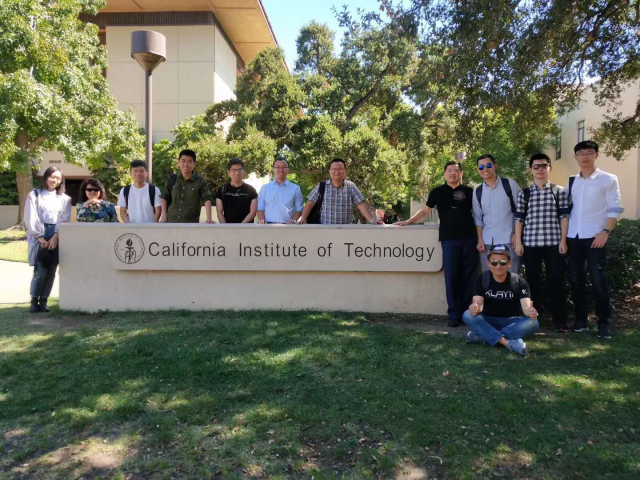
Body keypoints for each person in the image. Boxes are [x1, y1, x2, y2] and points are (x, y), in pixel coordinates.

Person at [394, 161, 478, 327]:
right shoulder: (437, 192)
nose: (452, 173)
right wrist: (409, 221)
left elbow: (479, 213)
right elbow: (425, 211)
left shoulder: (469, 192)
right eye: (449, 170)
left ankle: (468, 315)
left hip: (469, 239)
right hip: (449, 240)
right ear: (444, 173)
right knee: (451, 277)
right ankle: (454, 315)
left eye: (456, 170)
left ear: (461, 174)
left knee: (470, 277)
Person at [566, 141, 624, 338]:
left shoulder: (608, 179)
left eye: (589, 153)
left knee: (598, 280)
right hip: (574, 236)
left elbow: (615, 207)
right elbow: (567, 209)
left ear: (596, 155)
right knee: (576, 279)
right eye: (581, 153)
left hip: (595, 237)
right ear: (576, 157)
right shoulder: (572, 181)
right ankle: (580, 320)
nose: (585, 157)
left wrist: (606, 231)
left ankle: (603, 322)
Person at [514, 153, 570, 332]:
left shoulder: (558, 191)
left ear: (549, 168)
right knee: (532, 283)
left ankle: (560, 321)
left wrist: (563, 240)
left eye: (544, 165)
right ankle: (532, 320)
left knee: (556, 281)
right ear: (531, 170)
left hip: (554, 243)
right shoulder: (524, 193)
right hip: (530, 244)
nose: (540, 169)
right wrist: (518, 242)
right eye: (536, 166)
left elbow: (564, 217)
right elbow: (519, 219)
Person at [462, 244, 539, 356]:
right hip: (488, 320)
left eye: (503, 262)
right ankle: (507, 343)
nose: (498, 266)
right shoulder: (482, 279)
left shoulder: (519, 282)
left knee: (533, 322)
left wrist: (531, 312)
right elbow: (478, 305)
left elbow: (526, 307)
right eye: (494, 262)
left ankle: (483, 336)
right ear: (488, 263)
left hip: (511, 322)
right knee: (467, 315)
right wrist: (475, 308)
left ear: (509, 263)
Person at [24, 167, 72, 313]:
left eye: (58, 178)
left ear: (61, 181)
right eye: (52, 176)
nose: (54, 180)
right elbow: (31, 216)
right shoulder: (35, 195)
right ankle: (34, 301)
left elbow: (63, 219)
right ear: (45, 177)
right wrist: (39, 237)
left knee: (51, 270)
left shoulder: (65, 199)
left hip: (56, 234)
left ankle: (44, 300)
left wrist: (56, 236)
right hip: (39, 233)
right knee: (40, 271)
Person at [473, 154, 522, 274]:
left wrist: (516, 234)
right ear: (478, 170)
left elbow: (520, 211)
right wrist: (480, 239)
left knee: (511, 277)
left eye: (488, 165)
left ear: (495, 166)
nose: (485, 169)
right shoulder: (477, 191)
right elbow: (478, 218)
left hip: (509, 240)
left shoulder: (510, 185)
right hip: (487, 242)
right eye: (481, 167)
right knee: (487, 277)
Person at [297, 158, 383, 225]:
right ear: (329, 171)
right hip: (324, 229)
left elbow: (361, 204)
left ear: (345, 171)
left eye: (340, 169)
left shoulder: (351, 186)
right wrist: (302, 219)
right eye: (334, 169)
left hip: (344, 230)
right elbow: (310, 203)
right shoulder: (321, 186)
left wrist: (373, 220)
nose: (337, 171)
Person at [160, 149, 214, 223]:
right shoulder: (172, 179)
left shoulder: (200, 181)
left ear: (194, 164)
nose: (186, 164)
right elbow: (164, 197)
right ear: (179, 162)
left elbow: (206, 199)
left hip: (191, 224)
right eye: (183, 161)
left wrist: (209, 218)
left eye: (189, 162)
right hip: (171, 222)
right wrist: (163, 214)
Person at [257, 157, 304, 224]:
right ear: (273, 169)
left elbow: (299, 209)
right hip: (268, 225)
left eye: (284, 167)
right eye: (278, 167)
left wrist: (294, 220)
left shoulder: (295, 188)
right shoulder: (265, 188)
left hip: (288, 226)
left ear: (288, 170)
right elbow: (260, 208)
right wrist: (262, 220)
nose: (281, 170)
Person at [216, 158, 258, 223]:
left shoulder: (251, 190)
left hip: (246, 228)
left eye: (240, 170)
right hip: (227, 227)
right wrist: (225, 227)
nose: (237, 173)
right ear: (229, 173)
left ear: (244, 172)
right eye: (233, 170)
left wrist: (240, 227)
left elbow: (252, 213)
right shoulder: (222, 189)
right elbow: (219, 212)